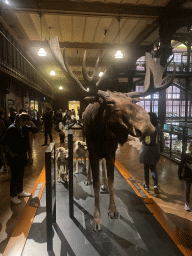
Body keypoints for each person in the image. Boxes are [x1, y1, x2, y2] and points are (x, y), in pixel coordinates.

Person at [1, 113, 32, 204]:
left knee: (21, 173)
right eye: (25, 122)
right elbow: (4, 143)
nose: (26, 124)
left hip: (21, 155)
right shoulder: (11, 128)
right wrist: (11, 153)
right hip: (14, 156)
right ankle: (13, 195)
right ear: (21, 120)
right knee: (15, 175)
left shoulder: (21, 127)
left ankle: (20, 191)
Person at [139, 112, 160, 194]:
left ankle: (147, 185)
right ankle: (155, 185)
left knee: (146, 168)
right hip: (155, 149)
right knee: (153, 168)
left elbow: (140, 139)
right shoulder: (158, 127)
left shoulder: (146, 127)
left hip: (146, 150)